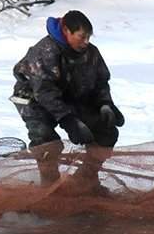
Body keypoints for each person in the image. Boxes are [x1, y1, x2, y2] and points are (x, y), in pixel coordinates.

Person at [11, 9, 125, 150]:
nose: (86, 42)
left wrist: (105, 104)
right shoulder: (45, 51)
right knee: (45, 141)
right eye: (81, 37)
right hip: (33, 97)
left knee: (106, 132)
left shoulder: (91, 52)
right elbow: (44, 91)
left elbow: (101, 81)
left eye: (89, 37)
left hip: (68, 94)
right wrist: (68, 121)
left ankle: (89, 171)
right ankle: (48, 171)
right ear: (66, 30)